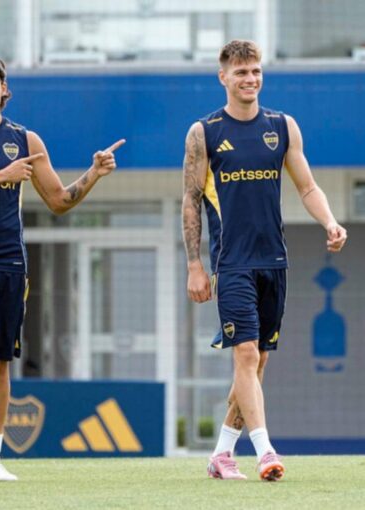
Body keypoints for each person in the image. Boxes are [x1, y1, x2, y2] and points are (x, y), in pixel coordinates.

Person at [0, 51, 125, 482]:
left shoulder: (25, 140)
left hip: (9, 264)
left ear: (5, 90)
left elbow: (59, 201)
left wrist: (94, 174)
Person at [182, 40, 346, 481]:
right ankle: (265, 451)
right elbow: (191, 200)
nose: (250, 79)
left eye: (255, 71)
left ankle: (221, 453)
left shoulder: (282, 126)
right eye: (241, 73)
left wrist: (330, 221)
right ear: (223, 78)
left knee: (258, 362)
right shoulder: (204, 133)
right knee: (245, 352)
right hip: (231, 262)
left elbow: (307, 186)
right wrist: (195, 265)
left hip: (274, 260)